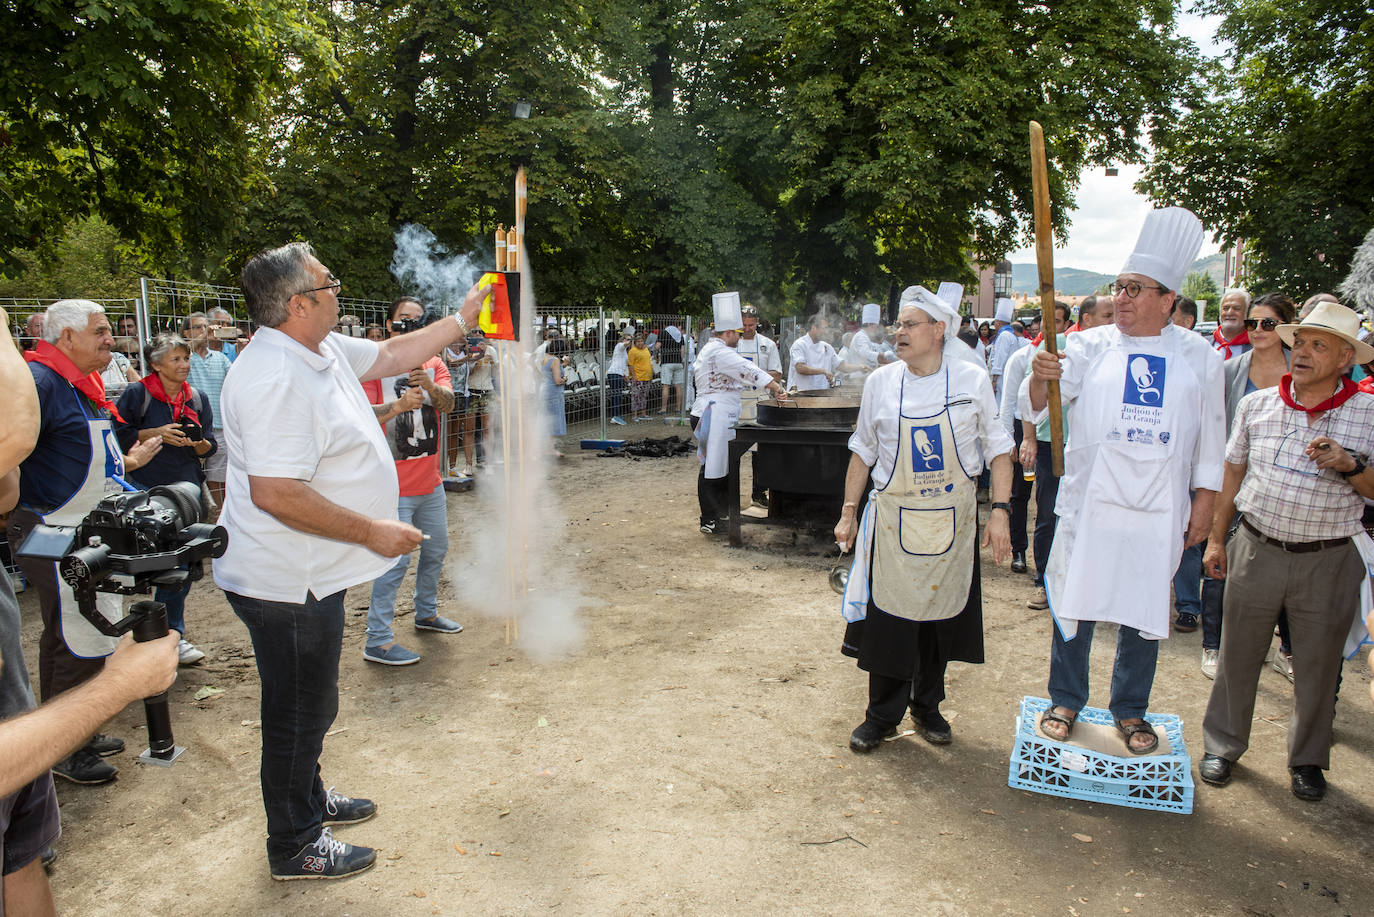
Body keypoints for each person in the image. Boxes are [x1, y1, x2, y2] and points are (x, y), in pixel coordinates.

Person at [213, 242, 487, 879]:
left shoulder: (318, 348)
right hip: (286, 579)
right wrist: (371, 532)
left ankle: (307, 799)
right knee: (301, 708)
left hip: (311, 574)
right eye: (329, 282)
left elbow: (394, 354)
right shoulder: (274, 376)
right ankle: (294, 842)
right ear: (300, 303)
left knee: (312, 700)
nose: (340, 288)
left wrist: (463, 318)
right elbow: (276, 492)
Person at [1029, 207, 1223, 755]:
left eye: (1136, 289)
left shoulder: (1199, 357)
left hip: (1158, 506)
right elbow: (1045, 407)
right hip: (1094, 499)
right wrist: (1042, 380)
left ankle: (1130, 709)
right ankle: (1065, 699)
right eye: (1119, 287)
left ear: (1168, 301)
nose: (1122, 299)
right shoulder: (1089, 346)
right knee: (1075, 598)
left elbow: (1212, 439)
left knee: (1144, 605)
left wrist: (1203, 507)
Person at [1198, 300, 1374, 802]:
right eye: (1302, 342)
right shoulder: (1259, 405)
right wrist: (1216, 537)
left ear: (1345, 359)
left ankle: (1308, 760)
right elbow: (1233, 471)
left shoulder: (1367, 412)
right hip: (1257, 545)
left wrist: (1349, 464)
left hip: (1329, 557)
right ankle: (1223, 745)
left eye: (1321, 346)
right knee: (1238, 655)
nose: (1304, 353)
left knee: (1318, 666)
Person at [836, 284, 1013, 752]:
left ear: (939, 330)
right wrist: (849, 511)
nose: (899, 332)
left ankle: (928, 707)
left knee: (939, 619)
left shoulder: (972, 381)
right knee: (891, 621)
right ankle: (881, 716)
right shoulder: (882, 382)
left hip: (951, 522)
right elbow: (862, 451)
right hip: (895, 521)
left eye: (910, 324)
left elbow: (998, 449)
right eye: (898, 324)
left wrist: (1000, 512)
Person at [5, 300, 163, 786]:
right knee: (74, 633)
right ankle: (62, 749)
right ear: (66, 338)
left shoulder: (82, 386)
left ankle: (80, 731)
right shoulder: (40, 384)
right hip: (52, 528)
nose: (109, 340)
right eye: (99, 332)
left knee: (87, 630)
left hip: (86, 526)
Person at [1197, 292, 1295, 679]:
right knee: (1218, 559)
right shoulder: (1231, 370)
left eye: (1267, 324)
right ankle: (1212, 645)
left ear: (1286, 328)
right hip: (1233, 480)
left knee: (1288, 568)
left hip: (1284, 484)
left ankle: (1287, 650)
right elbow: (1214, 429)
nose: (1256, 330)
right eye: (1252, 324)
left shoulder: (1300, 368)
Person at [359, 297, 462, 667]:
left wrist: (430, 388)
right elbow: (361, 416)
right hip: (393, 486)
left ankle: (427, 614)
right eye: (404, 321)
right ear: (390, 325)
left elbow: (449, 403)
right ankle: (378, 639)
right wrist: (401, 405)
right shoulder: (374, 366)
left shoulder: (433, 362)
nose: (410, 327)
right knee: (394, 564)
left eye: (418, 321)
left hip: (430, 483)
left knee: (436, 551)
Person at [115, 332, 218, 666]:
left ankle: (173, 636)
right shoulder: (137, 394)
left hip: (186, 494)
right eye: (175, 359)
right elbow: (116, 435)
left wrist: (197, 443)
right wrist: (155, 432)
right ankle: (134, 637)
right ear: (156, 364)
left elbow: (210, 446)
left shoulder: (197, 398)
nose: (184, 365)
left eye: (186, 358)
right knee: (144, 568)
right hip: (144, 491)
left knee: (181, 567)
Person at [1019, 298, 1102, 611]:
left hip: (1092, 449)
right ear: (1089, 319)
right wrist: (1028, 437)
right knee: (1048, 514)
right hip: (1052, 442)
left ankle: (1085, 584)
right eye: (1106, 315)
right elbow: (1027, 395)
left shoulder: (1117, 350)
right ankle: (1044, 582)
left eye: (1057, 320)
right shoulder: (1058, 348)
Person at [691, 292, 787, 534]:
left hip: (716, 412)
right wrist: (774, 386)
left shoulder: (716, 348)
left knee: (720, 466)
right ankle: (710, 520)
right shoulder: (719, 351)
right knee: (713, 467)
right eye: (738, 332)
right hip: (713, 412)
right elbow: (747, 369)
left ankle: (720, 515)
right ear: (729, 332)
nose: (741, 336)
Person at [184, 312, 234, 509]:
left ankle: (220, 512)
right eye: (198, 327)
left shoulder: (220, 358)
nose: (204, 331)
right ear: (186, 332)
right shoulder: (184, 357)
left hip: (219, 425)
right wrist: (195, 342)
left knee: (218, 474)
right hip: (191, 425)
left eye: (206, 327)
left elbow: (234, 379)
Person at [735, 304, 784, 506]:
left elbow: (777, 373)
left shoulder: (767, 344)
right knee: (733, 450)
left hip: (759, 402)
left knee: (759, 451)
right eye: (744, 324)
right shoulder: (732, 344)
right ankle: (730, 494)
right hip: (736, 402)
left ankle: (758, 492)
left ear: (757, 323)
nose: (747, 328)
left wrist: (755, 376)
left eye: (751, 324)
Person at [787, 315, 839, 392]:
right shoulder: (800, 344)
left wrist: (859, 367)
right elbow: (800, 368)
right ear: (814, 327)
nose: (826, 331)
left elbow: (840, 364)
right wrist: (823, 371)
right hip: (801, 394)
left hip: (823, 394)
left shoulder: (827, 347)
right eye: (824, 328)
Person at [988, 298, 1025, 398]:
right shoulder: (1010, 334)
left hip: (1002, 377)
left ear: (998, 323)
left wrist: (994, 380)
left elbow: (999, 359)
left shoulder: (1004, 335)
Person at [539, 337, 570, 453]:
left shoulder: (544, 358)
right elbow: (557, 380)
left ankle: (547, 447)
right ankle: (550, 448)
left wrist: (564, 365)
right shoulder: (555, 360)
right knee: (553, 419)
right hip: (554, 392)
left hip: (545, 390)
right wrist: (565, 379)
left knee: (547, 419)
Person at [849, 303, 894, 370]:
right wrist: (879, 355)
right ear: (869, 324)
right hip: (858, 377)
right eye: (875, 326)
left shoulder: (865, 336)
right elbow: (865, 353)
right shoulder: (860, 336)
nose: (876, 329)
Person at [1212, 289, 1252, 359]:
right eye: (1225, 308)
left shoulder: (1256, 347)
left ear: (1247, 313)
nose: (1230, 312)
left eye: (1236, 308)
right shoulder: (1202, 343)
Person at [657, 325, 686, 415]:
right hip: (678, 363)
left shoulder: (663, 333)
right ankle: (678, 408)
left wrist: (655, 354)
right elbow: (682, 350)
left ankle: (664, 408)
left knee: (666, 386)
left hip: (667, 362)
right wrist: (681, 361)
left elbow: (657, 346)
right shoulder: (679, 335)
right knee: (678, 386)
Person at [606, 329, 630, 425]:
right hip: (614, 373)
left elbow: (623, 363)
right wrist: (627, 342)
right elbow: (623, 345)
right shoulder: (620, 346)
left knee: (617, 395)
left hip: (619, 373)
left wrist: (625, 375)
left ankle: (615, 415)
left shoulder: (624, 351)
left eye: (630, 339)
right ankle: (616, 416)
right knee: (617, 395)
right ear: (623, 339)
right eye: (627, 339)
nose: (629, 341)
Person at [627, 332, 653, 422]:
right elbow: (630, 365)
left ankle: (643, 414)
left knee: (644, 396)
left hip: (647, 377)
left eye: (641, 341)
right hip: (638, 377)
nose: (640, 343)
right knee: (636, 397)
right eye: (638, 341)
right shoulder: (632, 351)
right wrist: (634, 376)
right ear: (635, 342)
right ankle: (634, 415)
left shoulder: (646, 349)